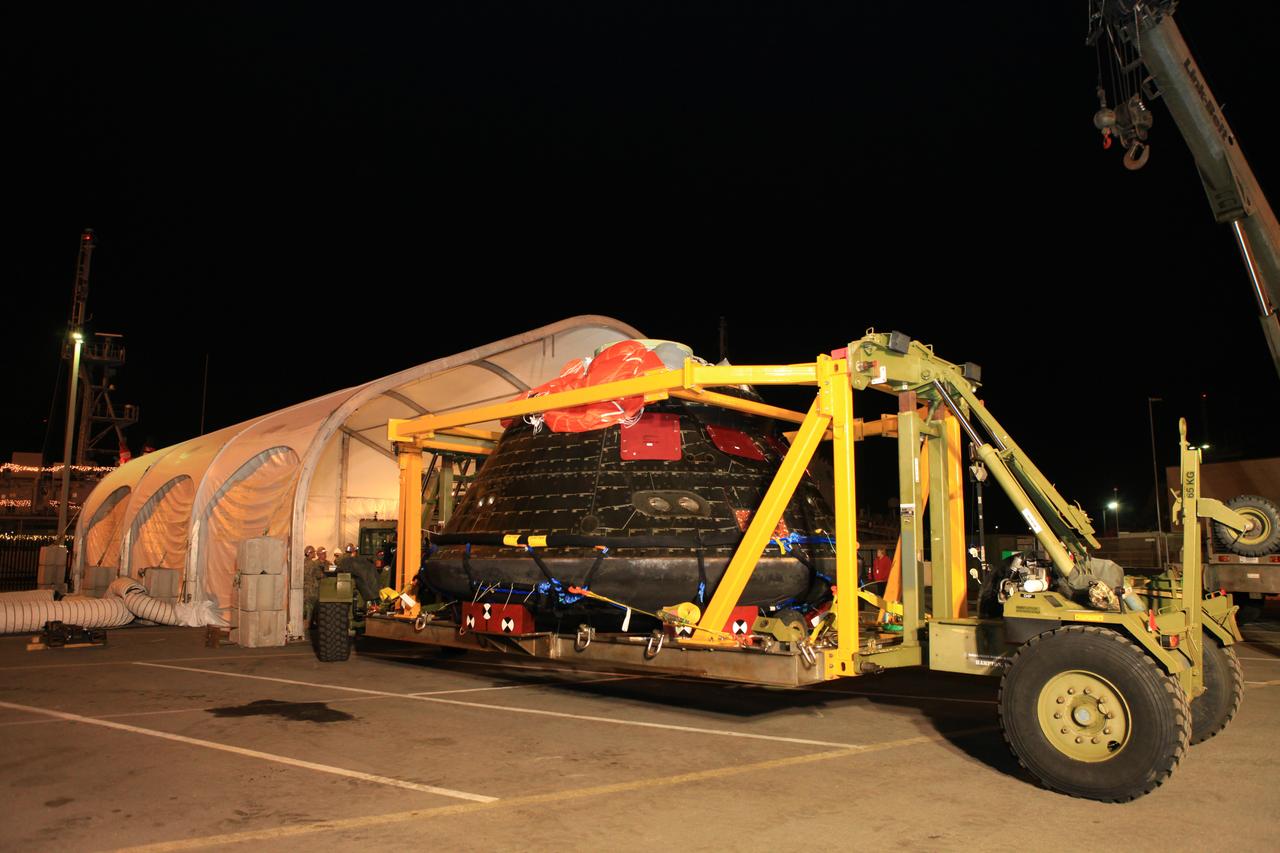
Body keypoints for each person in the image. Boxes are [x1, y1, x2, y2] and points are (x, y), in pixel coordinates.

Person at [302, 546, 324, 623]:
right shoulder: (313, 564)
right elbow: (319, 575)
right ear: (309, 553)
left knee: (304, 608)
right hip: (311, 591)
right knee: (310, 609)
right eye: (313, 552)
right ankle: (307, 625)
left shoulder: (302, 563)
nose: (315, 553)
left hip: (303, 590)